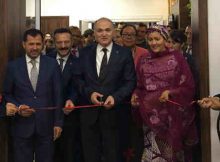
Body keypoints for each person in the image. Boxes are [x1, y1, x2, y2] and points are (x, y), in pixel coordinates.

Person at [132, 25, 198, 162]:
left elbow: (188, 86)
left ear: (165, 39)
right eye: (150, 39)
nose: (153, 43)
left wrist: (171, 92)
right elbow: (139, 85)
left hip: (173, 119)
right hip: (150, 118)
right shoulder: (143, 59)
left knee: (172, 155)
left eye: (157, 39)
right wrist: (136, 94)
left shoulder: (177, 58)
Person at [78, 17, 136, 162]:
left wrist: (116, 97)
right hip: (89, 116)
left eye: (107, 30)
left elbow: (130, 82)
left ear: (113, 32)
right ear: (95, 33)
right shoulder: (84, 53)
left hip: (115, 116)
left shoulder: (124, 53)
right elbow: (77, 79)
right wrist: (89, 93)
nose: (104, 34)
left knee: (113, 156)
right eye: (100, 30)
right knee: (91, 156)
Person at [3, 28, 63, 162]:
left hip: (47, 126)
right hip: (21, 126)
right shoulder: (13, 66)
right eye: (31, 44)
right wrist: (18, 107)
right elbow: (7, 93)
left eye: (38, 44)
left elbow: (58, 94)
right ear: (23, 44)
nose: (35, 48)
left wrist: (58, 122)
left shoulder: (52, 65)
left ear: (43, 44)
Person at [47, 28, 82, 162]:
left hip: (70, 116)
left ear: (72, 41)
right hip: (48, 116)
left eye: (66, 42)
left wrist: (71, 100)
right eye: (59, 42)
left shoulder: (79, 62)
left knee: (69, 153)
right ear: (54, 43)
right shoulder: (45, 60)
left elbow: (78, 84)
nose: (63, 46)